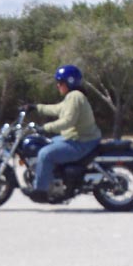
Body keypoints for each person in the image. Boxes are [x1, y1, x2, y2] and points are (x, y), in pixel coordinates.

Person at [24, 65, 102, 203]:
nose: (58, 85)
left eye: (60, 82)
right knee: (48, 143)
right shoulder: (72, 97)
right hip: (77, 138)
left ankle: (40, 191)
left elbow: (67, 121)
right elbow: (57, 109)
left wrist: (45, 128)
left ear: (69, 82)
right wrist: (36, 107)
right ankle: (55, 178)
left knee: (45, 154)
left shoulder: (75, 97)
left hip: (82, 141)